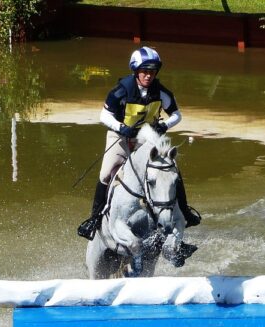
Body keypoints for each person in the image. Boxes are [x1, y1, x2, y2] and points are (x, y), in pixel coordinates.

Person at [77, 46, 201, 240]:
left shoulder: (161, 92)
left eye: (152, 72)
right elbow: (104, 115)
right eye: (144, 71)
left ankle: (185, 212)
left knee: (171, 170)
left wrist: (164, 126)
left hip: (148, 138)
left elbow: (177, 115)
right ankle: (94, 219)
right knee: (105, 173)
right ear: (136, 71)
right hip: (121, 137)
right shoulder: (121, 91)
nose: (148, 76)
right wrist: (120, 127)